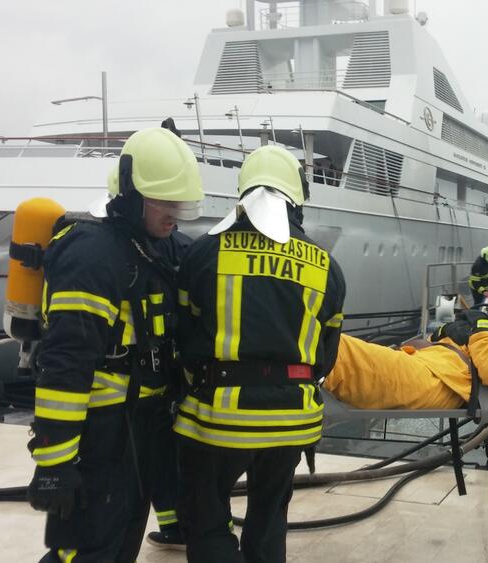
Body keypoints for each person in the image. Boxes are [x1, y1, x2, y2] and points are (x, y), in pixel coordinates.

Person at [26, 127, 204, 562]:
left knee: (121, 540)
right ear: (130, 195)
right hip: (99, 431)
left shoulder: (156, 246)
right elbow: (66, 363)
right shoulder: (91, 256)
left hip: (142, 424)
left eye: (179, 204)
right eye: (166, 202)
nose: (175, 214)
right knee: (85, 549)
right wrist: (55, 461)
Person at [173, 145, 346, 563]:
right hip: (293, 420)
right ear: (296, 195)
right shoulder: (326, 266)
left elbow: (184, 336)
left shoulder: (203, 253)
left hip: (220, 417)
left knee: (206, 516)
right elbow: (326, 355)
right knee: (269, 517)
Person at [324, 315, 488, 410]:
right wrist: (448, 332)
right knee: (347, 354)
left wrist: (481, 325)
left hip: (440, 379)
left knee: (348, 357)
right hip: (431, 366)